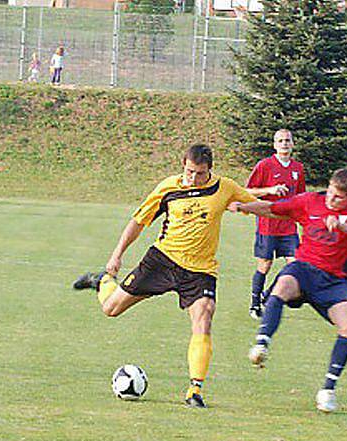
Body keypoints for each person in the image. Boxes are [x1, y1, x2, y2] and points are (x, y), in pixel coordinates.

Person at [72, 145, 257, 408]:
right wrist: (116, 255)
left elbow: (256, 204)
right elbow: (138, 221)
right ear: (183, 165)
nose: (193, 178)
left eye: (200, 173)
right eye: (190, 171)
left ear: (210, 170)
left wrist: (295, 211)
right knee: (110, 308)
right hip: (162, 261)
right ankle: (102, 281)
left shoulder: (224, 187)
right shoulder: (168, 188)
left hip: (200, 271)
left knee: (204, 316)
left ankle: (195, 389)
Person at [230, 167, 347, 413]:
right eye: (329, 191)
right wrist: (244, 206)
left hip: (333, 281)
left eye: (338, 197)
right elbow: (274, 209)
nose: (330, 198)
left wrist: (340, 225)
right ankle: (262, 344)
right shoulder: (310, 201)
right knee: (282, 286)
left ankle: (327, 390)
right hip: (304, 270)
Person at [245, 128, 306, 320]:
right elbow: (248, 191)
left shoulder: (298, 168)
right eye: (280, 141)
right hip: (268, 224)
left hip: (288, 226)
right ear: (274, 145)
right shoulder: (265, 165)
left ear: (293, 144)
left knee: (296, 265)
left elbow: (301, 196)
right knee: (265, 264)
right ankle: (254, 304)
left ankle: (268, 295)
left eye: (287, 140)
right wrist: (271, 189)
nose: (284, 144)